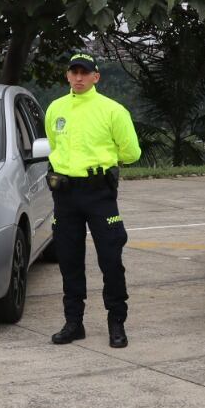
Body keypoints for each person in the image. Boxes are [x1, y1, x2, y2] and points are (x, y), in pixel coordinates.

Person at [45, 51, 141, 348]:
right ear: (67, 75)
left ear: (96, 76)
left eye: (84, 73)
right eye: (74, 72)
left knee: (111, 259)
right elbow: (53, 143)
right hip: (65, 194)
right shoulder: (56, 109)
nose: (78, 78)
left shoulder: (113, 111)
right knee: (69, 260)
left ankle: (117, 323)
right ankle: (74, 323)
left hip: (99, 193)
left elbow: (131, 153)